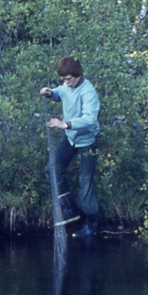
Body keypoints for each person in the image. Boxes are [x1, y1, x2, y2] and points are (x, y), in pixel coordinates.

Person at [39, 56, 100, 238]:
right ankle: (69, 210)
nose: (65, 82)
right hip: (71, 138)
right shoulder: (67, 85)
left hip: (87, 141)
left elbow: (90, 119)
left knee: (85, 184)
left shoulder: (88, 92)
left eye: (68, 78)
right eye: (63, 79)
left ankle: (91, 225)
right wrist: (50, 93)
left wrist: (66, 125)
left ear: (77, 75)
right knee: (52, 169)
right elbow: (60, 93)